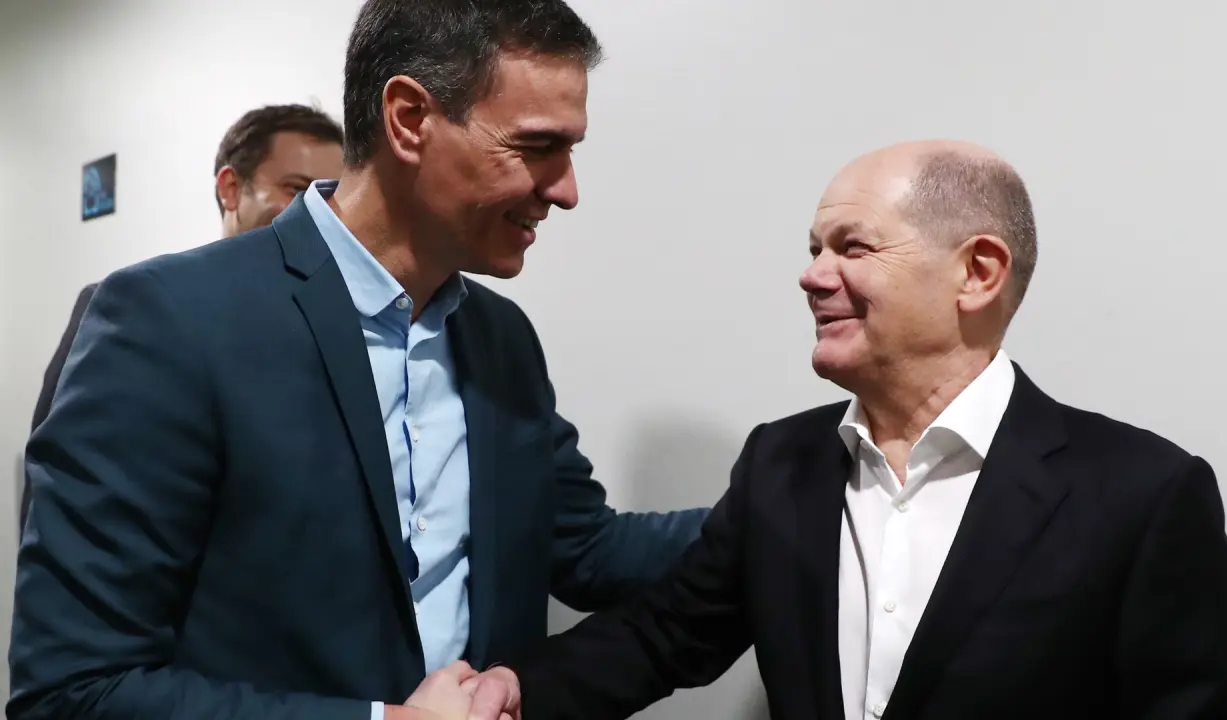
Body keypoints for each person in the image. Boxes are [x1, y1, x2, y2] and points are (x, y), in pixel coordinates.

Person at [9, 1, 709, 718]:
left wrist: (773, 496)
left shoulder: (503, 338)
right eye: (536, 146)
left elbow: (585, 548)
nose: (566, 190)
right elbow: (74, 690)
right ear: (409, 119)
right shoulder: (168, 321)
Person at [464, 140, 1227, 719]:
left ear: (977, 273)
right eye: (815, 248)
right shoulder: (780, 463)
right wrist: (512, 690)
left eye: (853, 247)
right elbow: (661, 636)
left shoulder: (1141, 495)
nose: (813, 275)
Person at [19, 102, 345, 532]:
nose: (319, 211)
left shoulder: (342, 327)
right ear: (231, 188)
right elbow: (62, 500)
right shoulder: (140, 310)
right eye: (297, 189)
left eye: (331, 196)